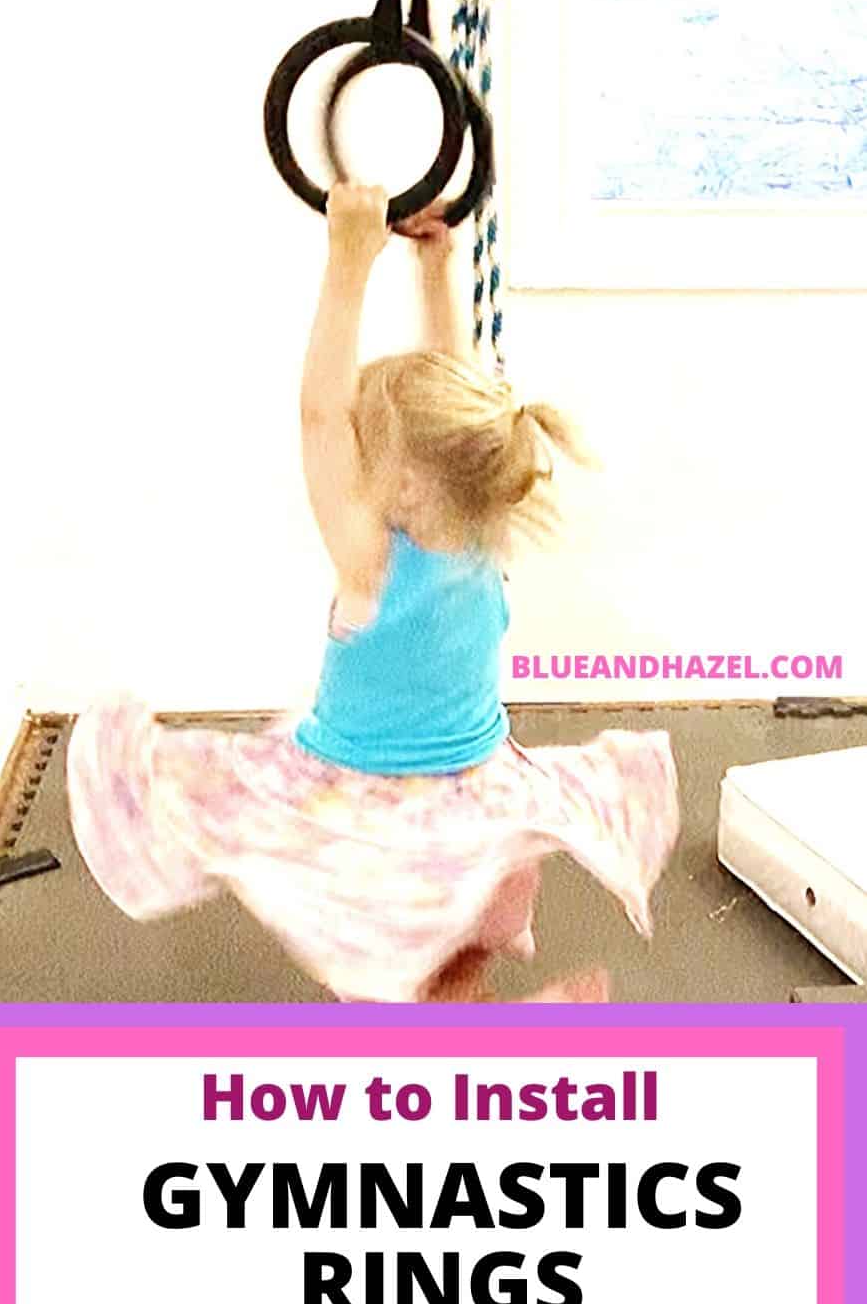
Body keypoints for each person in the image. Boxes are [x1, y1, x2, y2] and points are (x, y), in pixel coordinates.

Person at [67, 184, 679, 1003]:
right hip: (480, 811)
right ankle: (486, 1019)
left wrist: (348, 261)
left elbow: (320, 414)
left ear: (410, 487)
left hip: (379, 830)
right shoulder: (478, 525)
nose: (350, 458)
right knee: (460, 958)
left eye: (368, 449)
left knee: (392, 987)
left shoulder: (372, 563)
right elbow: (453, 401)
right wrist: (435, 270)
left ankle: (462, 1050)